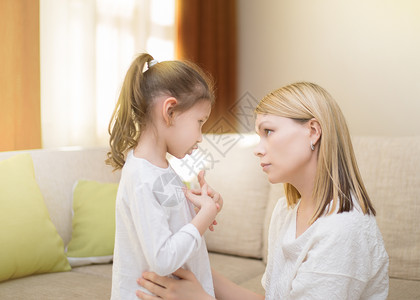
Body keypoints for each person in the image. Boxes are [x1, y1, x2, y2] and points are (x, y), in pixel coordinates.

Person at [135, 82, 389, 300]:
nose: (258, 149)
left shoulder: (343, 229)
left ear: (313, 131)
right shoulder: (287, 212)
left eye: (268, 131)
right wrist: (194, 270)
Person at [106, 53, 223, 300]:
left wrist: (199, 208)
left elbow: (169, 225)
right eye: (200, 122)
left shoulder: (160, 167)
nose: (201, 136)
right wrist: (204, 217)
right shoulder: (141, 176)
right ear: (169, 111)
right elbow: (162, 259)